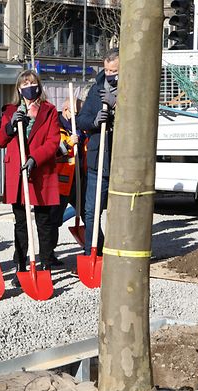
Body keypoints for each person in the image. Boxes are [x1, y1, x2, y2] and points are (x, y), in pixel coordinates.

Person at [0, 70, 61, 286]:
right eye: (25, 84)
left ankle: (45, 264)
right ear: (18, 88)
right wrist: (10, 125)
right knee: (21, 223)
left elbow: (53, 141)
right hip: (18, 173)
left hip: (40, 170)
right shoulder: (11, 111)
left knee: (44, 222)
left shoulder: (49, 111)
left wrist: (35, 158)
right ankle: (20, 266)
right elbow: (0, 140)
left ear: (39, 86)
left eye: (32, 83)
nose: (29, 87)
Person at [78, 48, 119, 256]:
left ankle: (117, 250)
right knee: (91, 211)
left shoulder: (131, 88)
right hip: (97, 160)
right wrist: (94, 122)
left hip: (120, 163)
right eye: (107, 70)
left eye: (114, 71)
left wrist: (117, 107)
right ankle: (91, 251)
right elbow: (81, 119)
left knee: (118, 212)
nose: (110, 74)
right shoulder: (96, 90)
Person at [49, 98, 87, 246]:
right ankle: (49, 255)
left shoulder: (81, 128)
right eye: (76, 113)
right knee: (54, 220)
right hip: (62, 182)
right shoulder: (55, 128)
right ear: (66, 110)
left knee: (89, 215)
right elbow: (54, 153)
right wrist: (70, 143)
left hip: (79, 181)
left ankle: (94, 249)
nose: (78, 117)